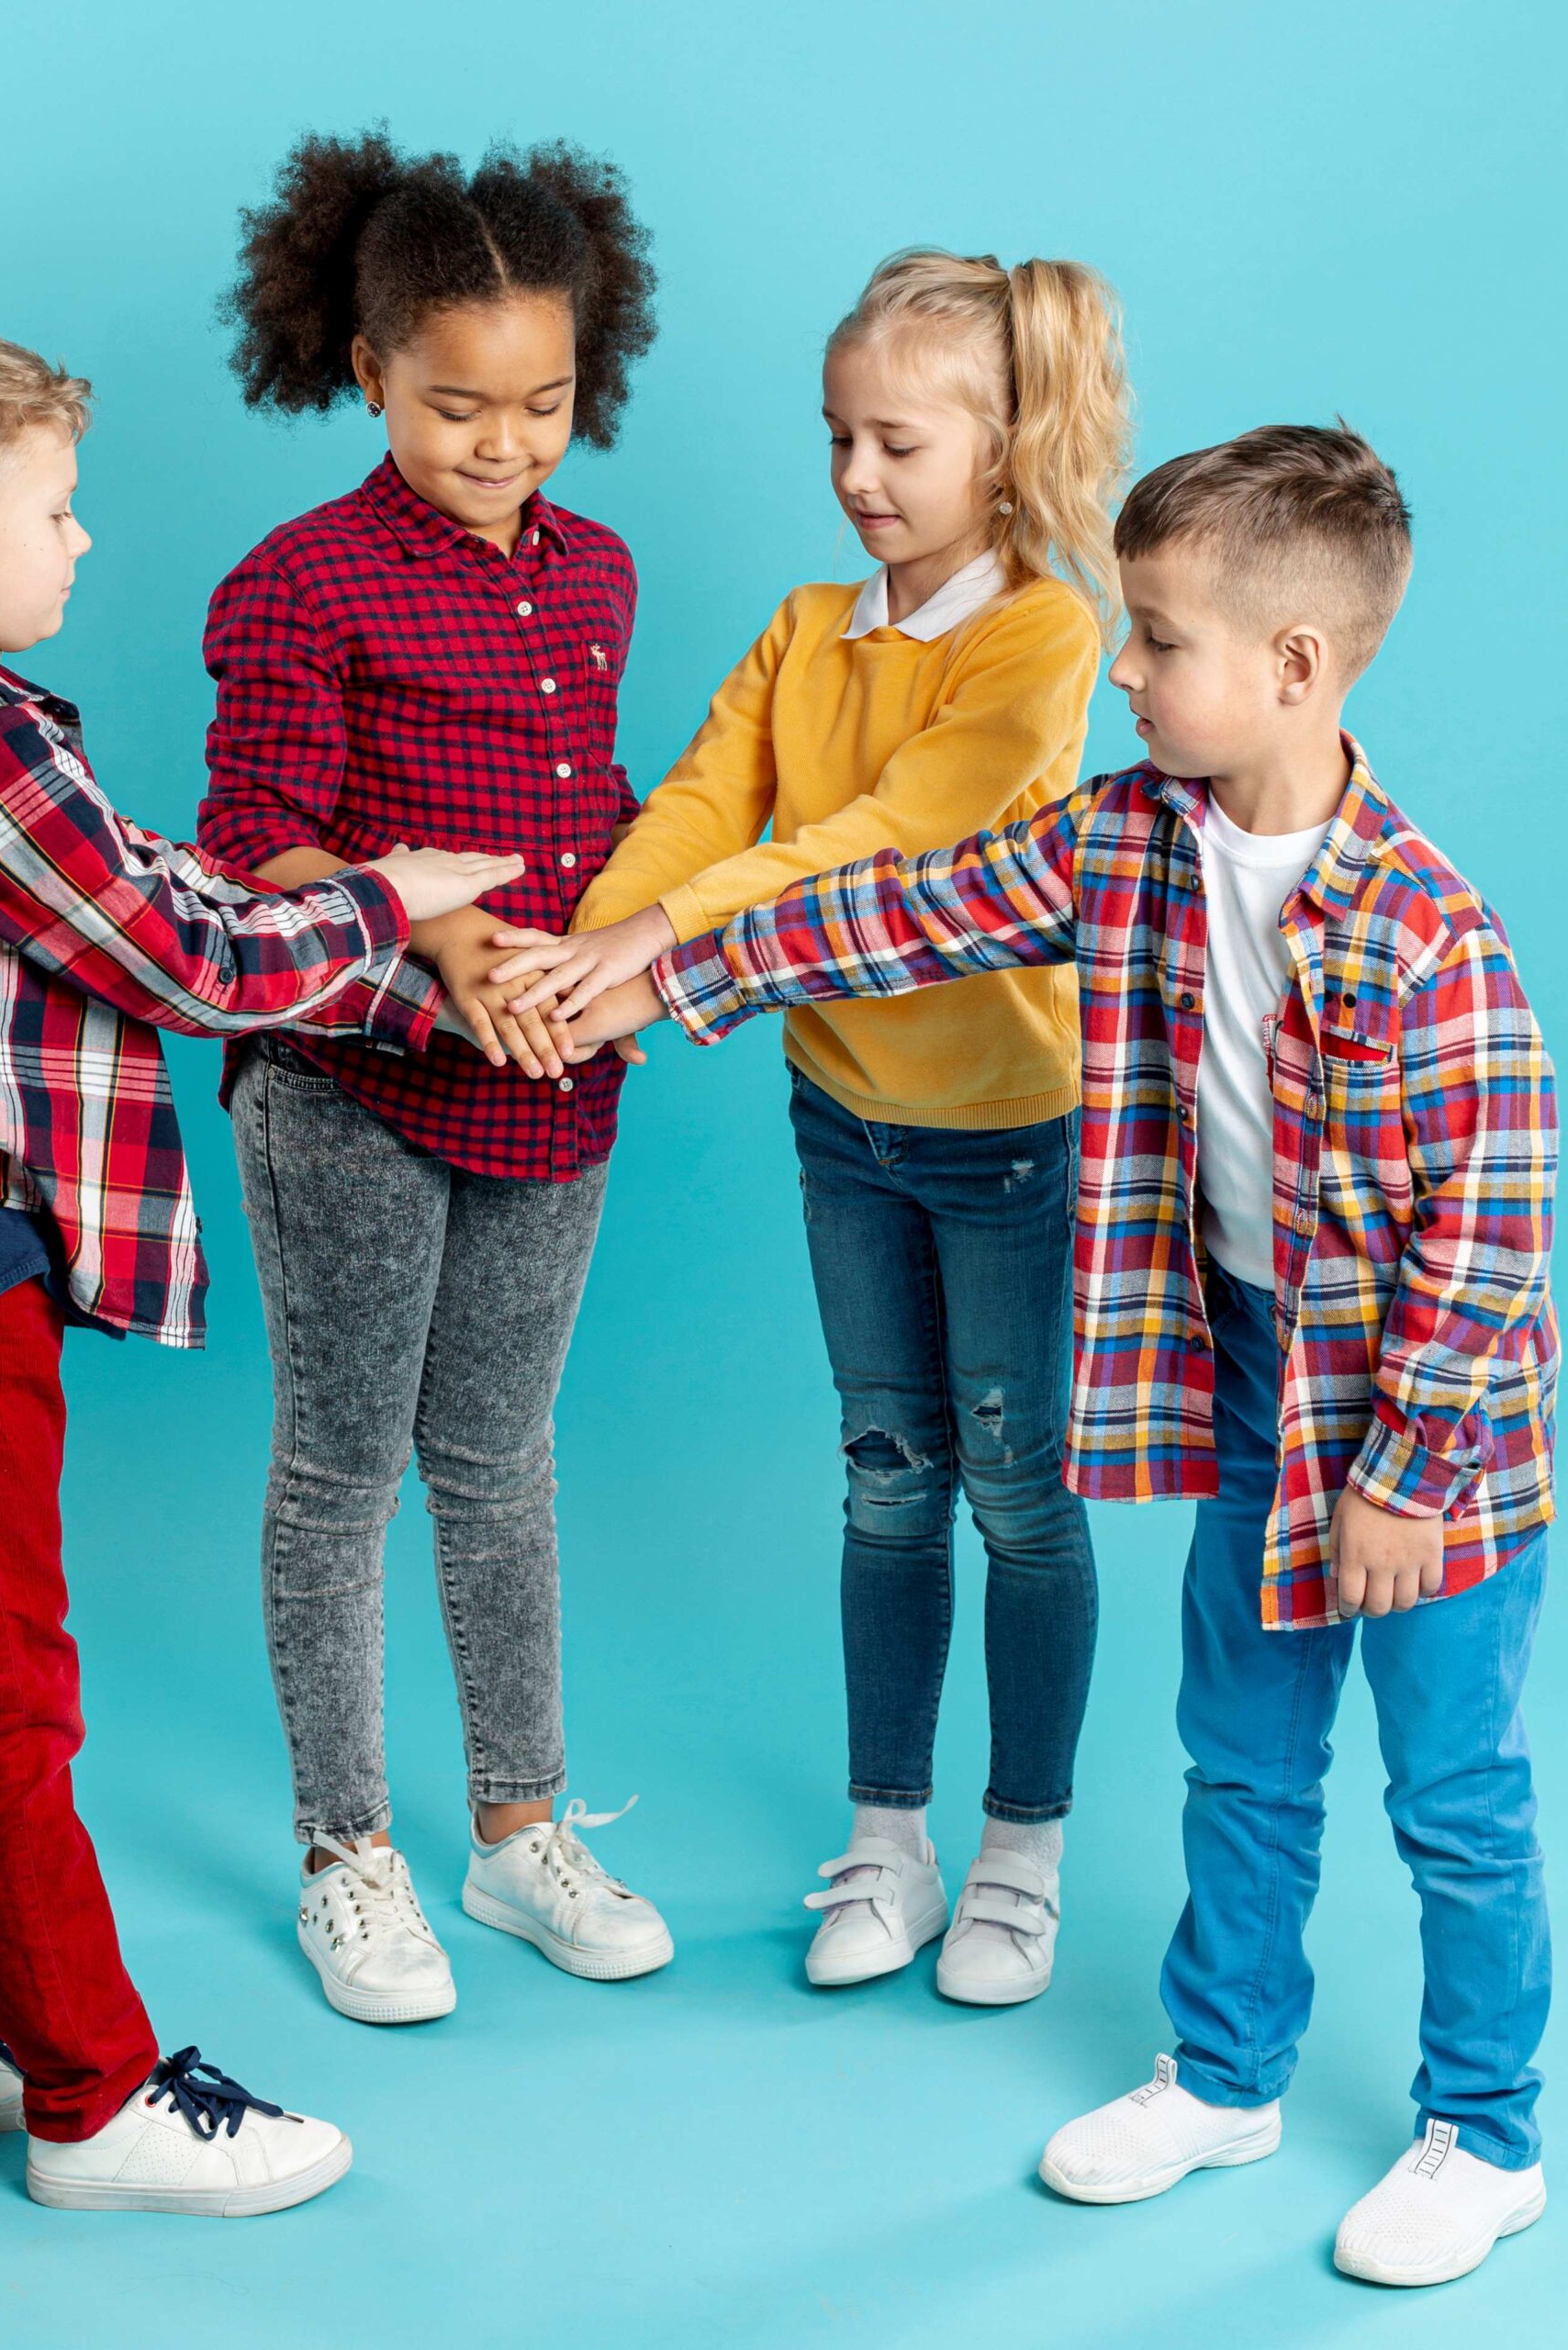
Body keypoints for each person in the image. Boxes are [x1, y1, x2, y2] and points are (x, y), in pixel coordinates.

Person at [568, 424, 1559, 2289]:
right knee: (1240, 1754)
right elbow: (904, 906)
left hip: (1437, 1433)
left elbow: (1491, 1229)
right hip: (1258, 1375)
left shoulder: (1428, 930)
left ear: (1294, 663)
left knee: (1450, 1792)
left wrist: (1402, 1480)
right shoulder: (1126, 841)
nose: (1121, 670)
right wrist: (668, 971)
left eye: (1158, 639)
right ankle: (1226, 2071)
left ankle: (1484, 2132)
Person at [0, 318, 517, 2213]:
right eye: (57, 508)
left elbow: (146, 883)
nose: (84, 537)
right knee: (6, 1693)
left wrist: (365, 943)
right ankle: (91, 2098)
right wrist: (386, 900)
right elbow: (183, 960)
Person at [506, 249, 1129, 2005]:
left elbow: (883, 843)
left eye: (898, 445)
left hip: (1008, 1133)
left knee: (1019, 1489)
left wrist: (657, 951)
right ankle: (890, 1845)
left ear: (1004, 450)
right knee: (886, 1478)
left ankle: (1022, 1854)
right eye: (838, 437)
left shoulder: (1042, 634)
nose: (858, 475)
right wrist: (588, 953)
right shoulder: (804, 626)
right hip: (844, 1120)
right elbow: (706, 803)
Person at [197, 130, 671, 2027]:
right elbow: (251, 843)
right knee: (342, 1472)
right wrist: (440, 939)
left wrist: (630, 957)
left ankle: (516, 1829)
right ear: (366, 370)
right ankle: (346, 1851)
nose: (504, 443)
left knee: (498, 1460)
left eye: (543, 404)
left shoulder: (599, 573)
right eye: (458, 405)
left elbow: (594, 808)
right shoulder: (297, 582)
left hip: (551, 1087)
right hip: (353, 1089)